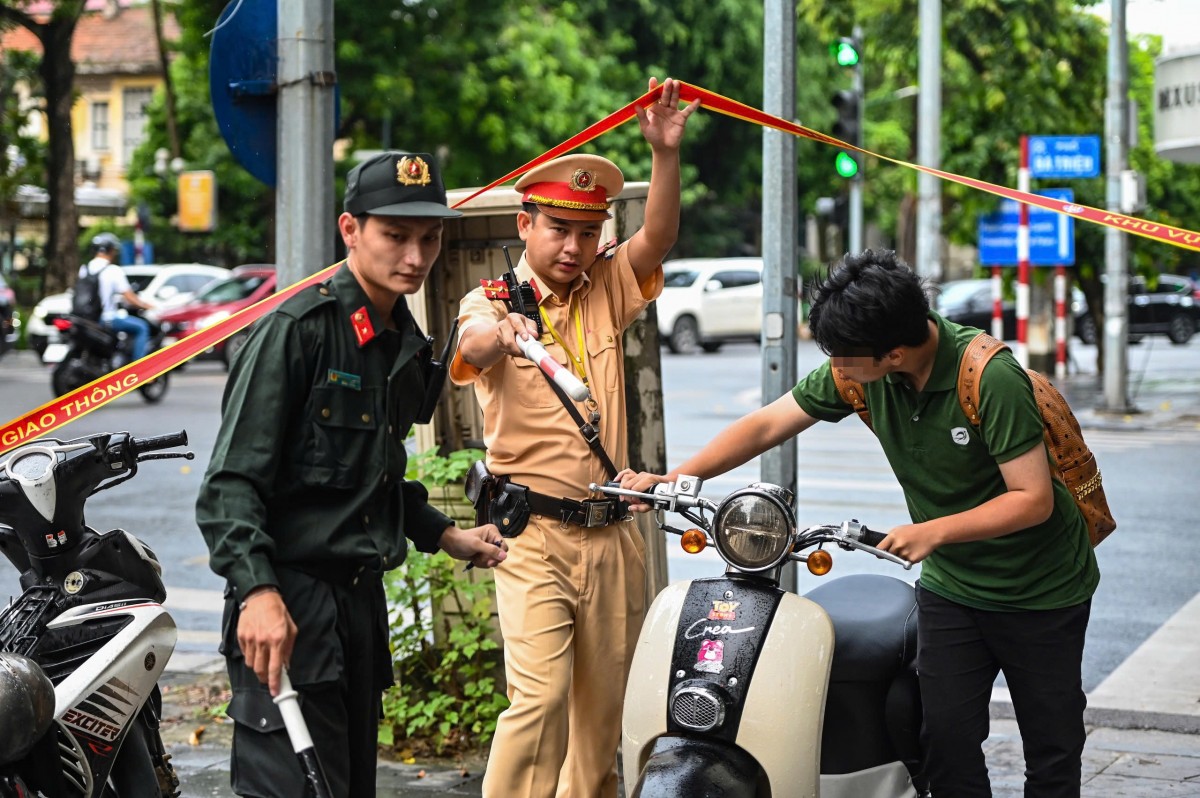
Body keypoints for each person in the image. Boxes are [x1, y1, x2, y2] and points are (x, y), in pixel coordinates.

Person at [623, 249, 1101, 798]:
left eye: (844, 358)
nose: (837, 369)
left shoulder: (990, 379)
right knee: (944, 741)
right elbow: (766, 424)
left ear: (894, 353)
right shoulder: (862, 372)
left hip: (1042, 590)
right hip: (954, 589)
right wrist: (675, 478)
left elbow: (1033, 499)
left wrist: (932, 532)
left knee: (1052, 747)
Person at [195, 151, 508, 798]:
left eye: (429, 236)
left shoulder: (400, 339)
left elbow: (376, 475)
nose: (416, 255)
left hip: (358, 609)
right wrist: (256, 593)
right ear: (350, 230)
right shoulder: (297, 332)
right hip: (288, 601)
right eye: (395, 235)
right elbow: (230, 485)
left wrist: (446, 536)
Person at [449, 77, 698, 798]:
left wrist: (664, 154)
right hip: (532, 536)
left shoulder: (607, 286)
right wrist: (502, 335)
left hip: (614, 531)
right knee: (540, 701)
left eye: (588, 231)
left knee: (602, 723)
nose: (574, 245)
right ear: (524, 225)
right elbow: (472, 345)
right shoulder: (490, 301)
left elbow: (661, 235)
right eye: (559, 227)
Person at [80, 232, 155, 359]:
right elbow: (129, 297)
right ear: (110, 250)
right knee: (142, 327)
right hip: (107, 319)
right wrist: (145, 306)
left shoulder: (84, 268)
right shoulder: (113, 270)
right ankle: (139, 368)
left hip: (87, 318)